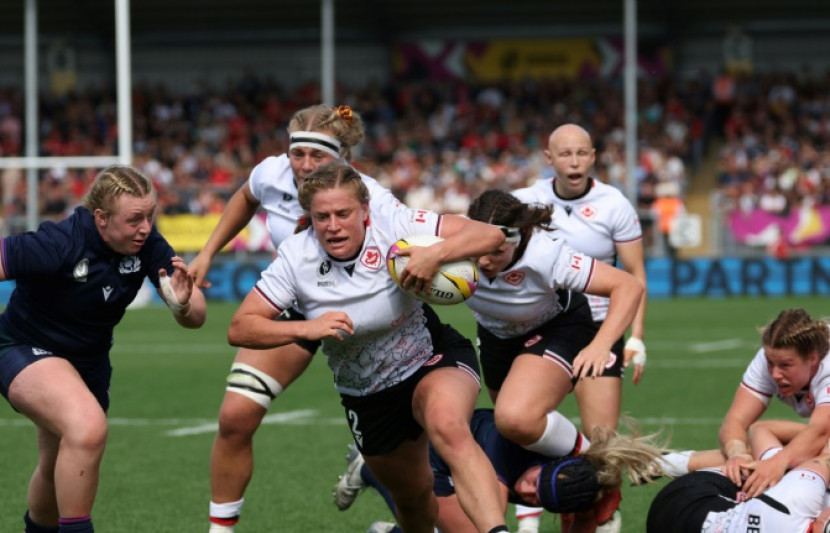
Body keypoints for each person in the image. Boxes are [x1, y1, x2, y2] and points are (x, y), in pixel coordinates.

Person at [0, 165, 207, 533]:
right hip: (21, 347)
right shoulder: (59, 243)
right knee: (88, 427)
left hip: (87, 365)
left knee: (55, 468)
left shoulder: (147, 243)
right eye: (135, 218)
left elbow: (195, 315)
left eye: (151, 215)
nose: (146, 227)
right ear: (101, 218)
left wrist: (182, 303)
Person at [228, 160, 511, 533]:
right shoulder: (296, 258)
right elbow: (241, 327)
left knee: (449, 427)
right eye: (321, 216)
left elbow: (491, 236)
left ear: (364, 211)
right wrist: (306, 328)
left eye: (343, 213)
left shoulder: (394, 224)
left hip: (430, 357)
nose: (332, 225)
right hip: (367, 394)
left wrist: (435, 255)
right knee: (413, 498)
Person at [187, 104, 399, 533]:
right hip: (300, 306)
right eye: (296, 154)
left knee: (401, 449)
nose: (303, 165)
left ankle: (374, 469)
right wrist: (208, 253)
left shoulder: (370, 195)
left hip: (368, 315)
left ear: (343, 157)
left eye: (317, 156)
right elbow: (245, 197)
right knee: (235, 418)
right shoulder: (272, 173)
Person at [461, 189, 643, 531]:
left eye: (497, 251)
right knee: (518, 439)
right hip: (497, 338)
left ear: (520, 237)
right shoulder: (450, 245)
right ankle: (577, 491)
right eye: (478, 251)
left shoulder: (546, 254)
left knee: (515, 417)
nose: (484, 262)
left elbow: (628, 286)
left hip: (558, 326)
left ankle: (596, 466)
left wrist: (602, 343)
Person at [511, 123, 648, 533]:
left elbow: (635, 274)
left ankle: (602, 517)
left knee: (602, 440)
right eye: (565, 154)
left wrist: (637, 338)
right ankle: (528, 517)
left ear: (593, 156)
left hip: (598, 326)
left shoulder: (614, 204)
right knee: (525, 425)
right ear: (549, 159)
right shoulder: (524, 201)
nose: (574, 161)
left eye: (582, 153)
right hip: (541, 324)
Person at [334, 408, 667, 533]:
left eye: (538, 499)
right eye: (534, 483)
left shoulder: (570, 487)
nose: (526, 493)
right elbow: (491, 516)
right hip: (442, 456)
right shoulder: (524, 445)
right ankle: (371, 471)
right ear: (547, 463)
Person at [644, 308, 830, 498]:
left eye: (786, 366)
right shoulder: (773, 358)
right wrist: (738, 455)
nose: (775, 374)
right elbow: (735, 420)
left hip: (823, 435)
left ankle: (673, 463)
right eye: (770, 364)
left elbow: (819, 433)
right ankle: (666, 462)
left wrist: (775, 463)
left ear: (813, 358)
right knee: (768, 451)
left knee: (816, 454)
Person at [646, 454, 830, 533]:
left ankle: (668, 461)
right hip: (661, 523)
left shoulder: (797, 501)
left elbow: (761, 428)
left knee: (776, 459)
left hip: (681, 499)